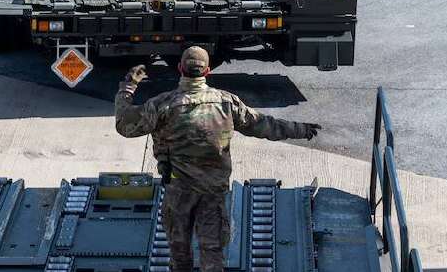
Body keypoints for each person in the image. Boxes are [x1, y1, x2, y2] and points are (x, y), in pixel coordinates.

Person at [114, 46, 322, 272]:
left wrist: (128, 88)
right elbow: (263, 125)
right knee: (212, 252)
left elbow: (125, 125)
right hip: (212, 192)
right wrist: (300, 129)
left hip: (178, 190)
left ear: (180, 68)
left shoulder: (162, 105)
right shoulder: (226, 102)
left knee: (179, 251)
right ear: (207, 71)